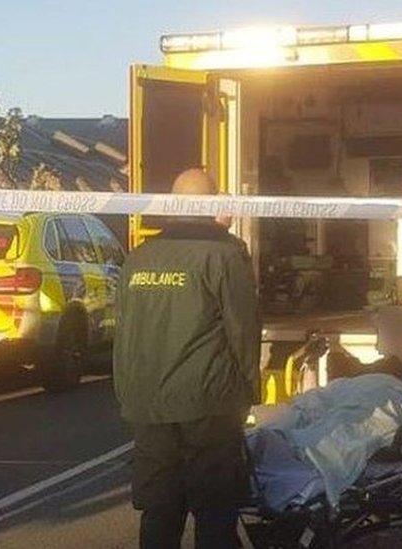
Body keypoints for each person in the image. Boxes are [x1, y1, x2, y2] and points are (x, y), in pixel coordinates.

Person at [114, 168, 261, 549]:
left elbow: (125, 331)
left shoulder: (139, 258)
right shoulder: (225, 254)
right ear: (213, 204)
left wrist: (129, 395)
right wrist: (248, 392)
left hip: (150, 404)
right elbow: (243, 330)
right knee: (214, 513)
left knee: (160, 512)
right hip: (207, 403)